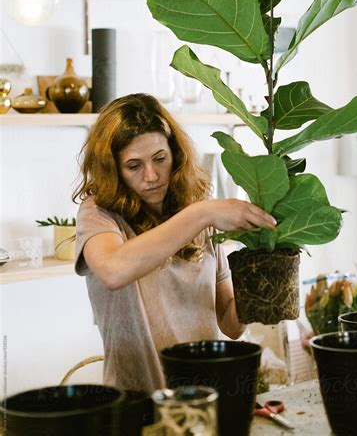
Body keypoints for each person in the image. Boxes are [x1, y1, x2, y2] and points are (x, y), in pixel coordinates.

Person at [73, 93, 276, 394]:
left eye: (159, 159)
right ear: (113, 169)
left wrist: (264, 278)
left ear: (175, 154)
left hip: (208, 397)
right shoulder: (99, 214)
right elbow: (114, 270)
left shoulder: (196, 214)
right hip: (140, 404)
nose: (152, 176)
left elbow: (231, 325)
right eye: (134, 166)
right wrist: (204, 212)